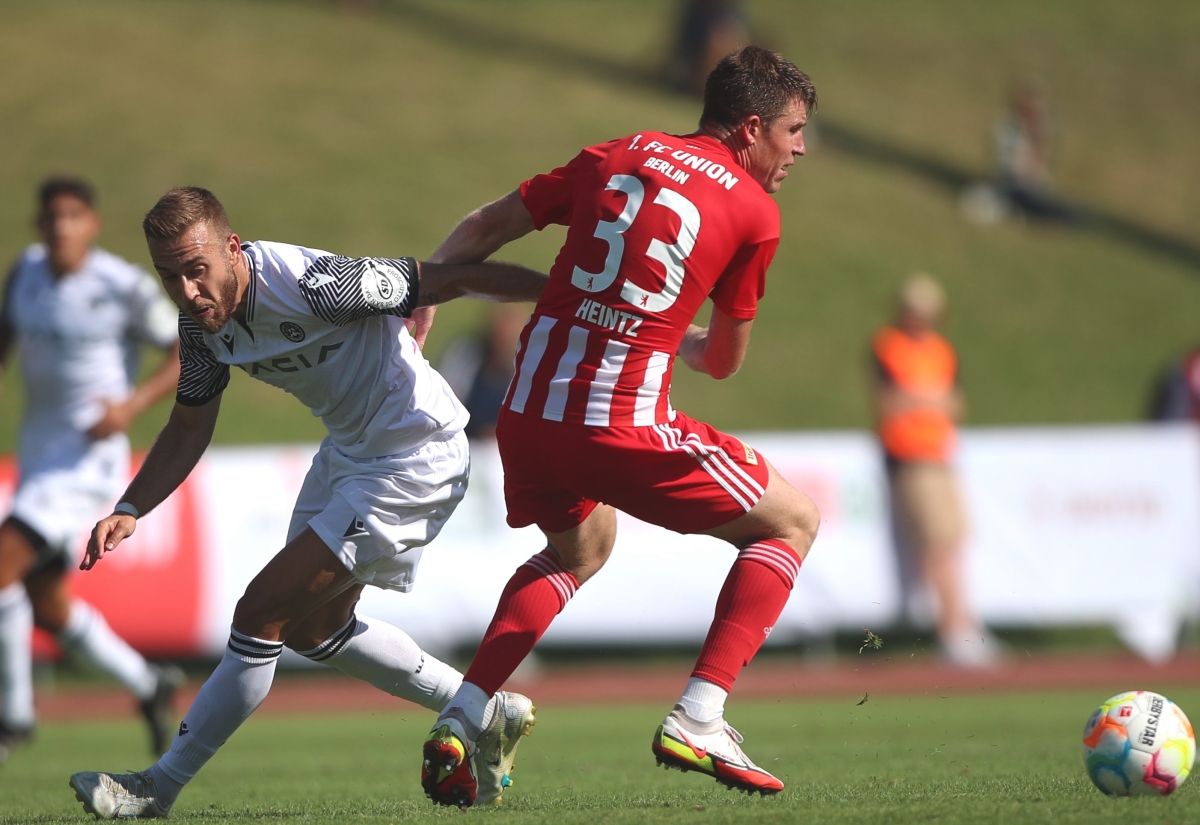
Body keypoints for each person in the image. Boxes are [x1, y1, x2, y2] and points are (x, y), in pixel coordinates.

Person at [415, 46, 821, 805]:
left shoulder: (620, 152)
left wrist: (428, 287)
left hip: (527, 412)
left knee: (580, 549)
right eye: (794, 131)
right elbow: (724, 361)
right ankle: (701, 714)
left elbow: (489, 223)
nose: (800, 149)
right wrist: (686, 341)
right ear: (752, 126)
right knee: (792, 521)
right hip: (618, 423)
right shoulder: (753, 210)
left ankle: (465, 712)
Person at [68, 186, 548, 819]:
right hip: (349, 454)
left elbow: (452, 278)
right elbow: (189, 426)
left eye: (196, 270)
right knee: (313, 630)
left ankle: (157, 788)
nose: (186, 291)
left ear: (232, 249)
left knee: (260, 613)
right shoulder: (201, 326)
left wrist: (565, 296)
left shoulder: (319, 284)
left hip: (414, 454)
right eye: (169, 276)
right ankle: (484, 711)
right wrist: (131, 506)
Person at [0, 177, 184, 764]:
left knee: (3, 561)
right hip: (39, 457)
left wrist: (130, 406)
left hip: (88, 463)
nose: (62, 227)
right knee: (47, 604)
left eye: (74, 215)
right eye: (53, 216)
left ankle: (12, 717)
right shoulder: (23, 275)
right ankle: (150, 685)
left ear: (93, 224)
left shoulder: (121, 284)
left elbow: (185, 346)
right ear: (40, 225)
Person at [871, 274, 993, 667]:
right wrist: (930, 398)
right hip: (910, 455)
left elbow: (956, 403)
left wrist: (922, 399)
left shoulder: (942, 350)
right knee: (937, 542)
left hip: (941, 453)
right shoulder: (889, 347)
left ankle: (965, 622)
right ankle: (953, 629)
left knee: (955, 539)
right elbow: (890, 401)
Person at [437, 305, 528, 440]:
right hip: (467, 440)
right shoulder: (467, 354)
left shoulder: (528, 366)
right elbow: (447, 402)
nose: (503, 337)